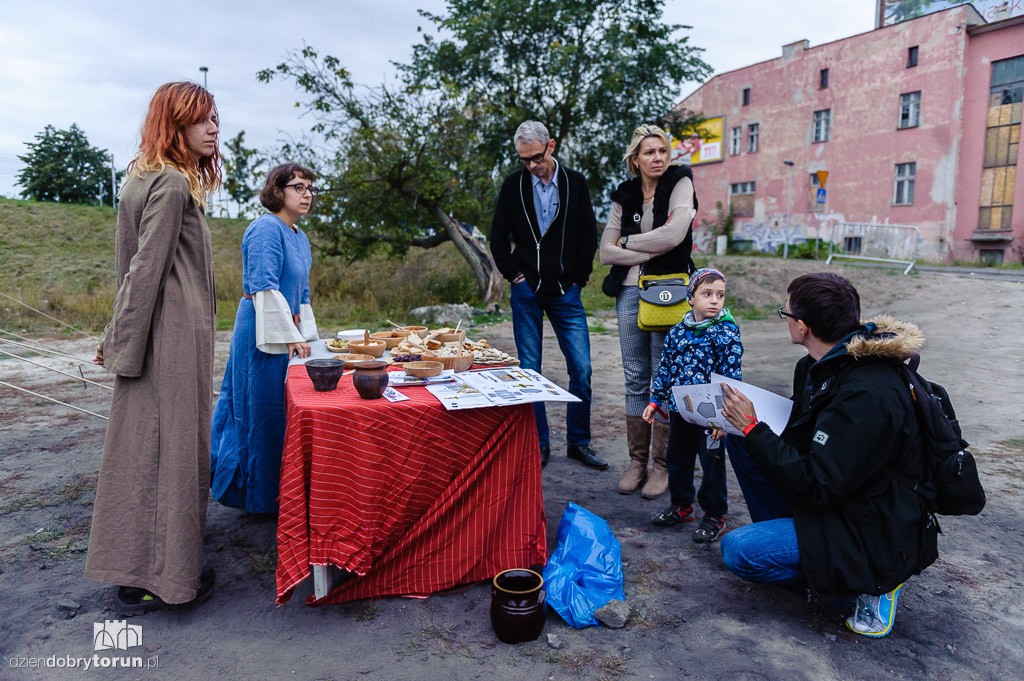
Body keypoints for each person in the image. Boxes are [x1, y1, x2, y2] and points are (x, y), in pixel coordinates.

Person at [719, 273, 938, 638]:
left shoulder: (868, 393)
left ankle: (862, 587)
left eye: (786, 312)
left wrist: (754, 427)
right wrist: (745, 423)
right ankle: (802, 542)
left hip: (870, 527)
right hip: (838, 493)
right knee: (741, 441)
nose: (785, 318)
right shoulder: (815, 366)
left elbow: (818, 484)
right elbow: (804, 439)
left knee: (739, 551)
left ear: (802, 326)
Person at [86, 82, 221, 614]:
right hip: (171, 336)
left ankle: (141, 570)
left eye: (215, 119)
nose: (213, 129)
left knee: (143, 452)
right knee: (175, 454)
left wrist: (120, 334)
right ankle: (167, 579)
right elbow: (144, 269)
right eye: (202, 119)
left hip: (155, 333)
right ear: (175, 123)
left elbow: (132, 266)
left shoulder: (140, 178)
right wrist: (119, 338)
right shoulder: (170, 182)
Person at [490, 121, 605, 470]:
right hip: (526, 292)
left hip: (566, 292)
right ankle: (538, 444)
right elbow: (497, 237)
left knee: (582, 368)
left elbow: (588, 236)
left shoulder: (575, 183)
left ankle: (579, 443)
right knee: (530, 370)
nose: (531, 165)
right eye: (524, 159)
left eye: (536, 157)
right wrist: (515, 275)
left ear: (551, 147)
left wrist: (578, 279)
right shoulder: (513, 186)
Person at [210, 164, 319, 514]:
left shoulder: (299, 235)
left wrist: (306, 337)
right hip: (262, 328)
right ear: (277, 190)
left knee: (282, 409)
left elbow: (302, 293)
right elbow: (264, 286)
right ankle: (254, 495)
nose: (307, 194)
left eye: (310, 188)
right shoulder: (265, 228)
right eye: (298, 187)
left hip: (288, 331)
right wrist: (288, 336)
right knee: (259, 407)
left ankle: (281, 492)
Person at [600, 124, 698, 497]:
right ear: (635, 159)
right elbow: (605, 252)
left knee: (663, 377)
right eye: (649, 152)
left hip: (666, 291)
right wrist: (649, 247)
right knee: (635, 376)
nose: (658, 158)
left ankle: (662, 465)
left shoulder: (680, 184)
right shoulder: (624, 195)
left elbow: (675, 235)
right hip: (628, 291)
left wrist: (628, 241)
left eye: (662, 151)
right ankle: (637, 462)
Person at [642, 269, 741, 544]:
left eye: (720, 295)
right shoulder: (677, 332)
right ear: (691, 298)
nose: (714, 301)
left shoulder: (726, 331)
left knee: (712, 464)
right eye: (707, 294)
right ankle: (682, 506)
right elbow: (665, 367)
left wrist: (724, 417)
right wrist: (655, 399)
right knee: (677, 458)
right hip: (681, 410)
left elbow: (732, 377)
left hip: (712, 416)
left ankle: (715, 514)